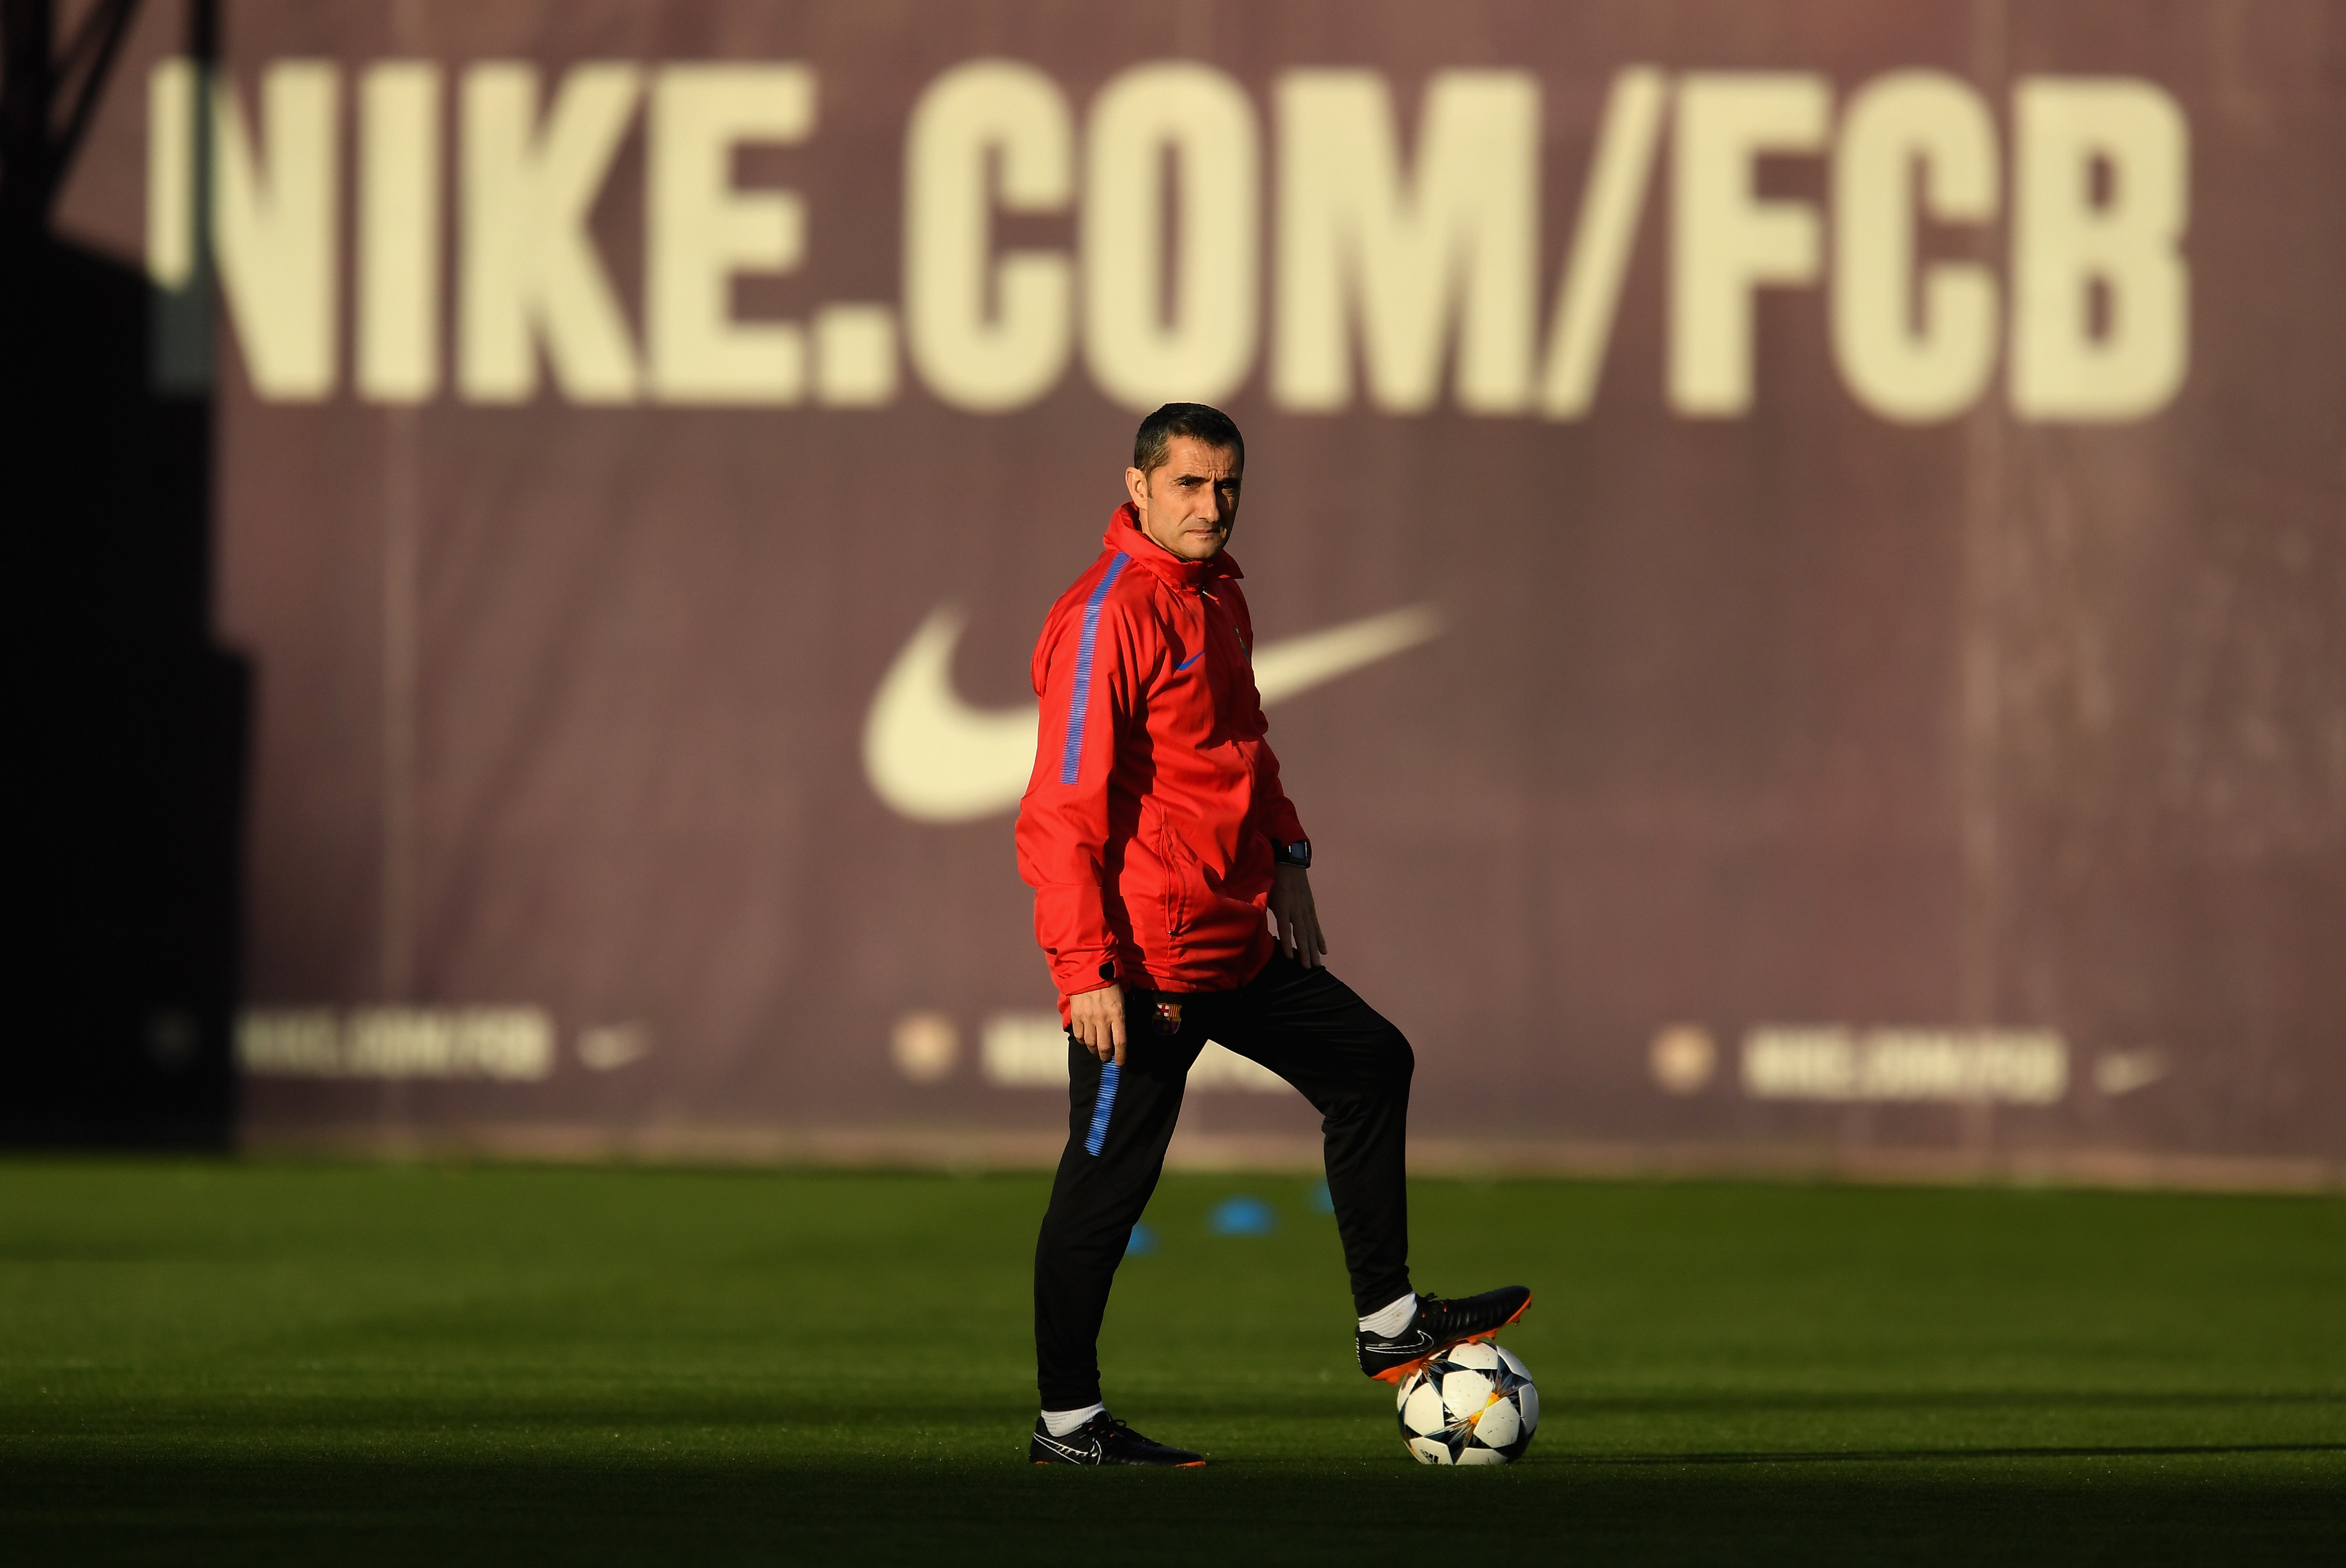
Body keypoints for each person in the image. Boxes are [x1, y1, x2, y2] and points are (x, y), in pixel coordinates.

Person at [1015, 403, 1531, 1468]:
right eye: (1191, 485)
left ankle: (1388, 1321)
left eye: (1229, 484)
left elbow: (1244, 744)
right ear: (1139, 485)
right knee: (1105, 1184)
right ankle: (1068, 1423)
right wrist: (1083, 966)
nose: (1213, 504)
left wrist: (1289, 860)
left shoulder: (1217, 597)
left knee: (1371, 1061)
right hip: (1145, 962)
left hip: (1230, 941)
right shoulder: (1109, 613)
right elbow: (1061, 808)